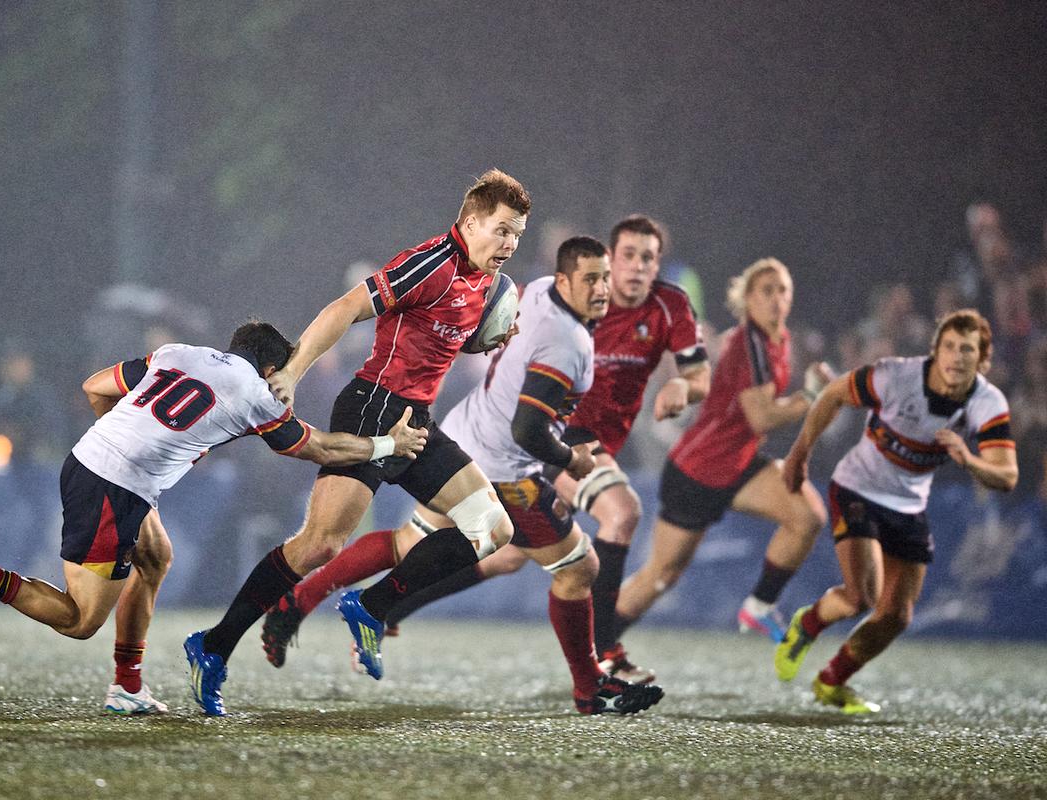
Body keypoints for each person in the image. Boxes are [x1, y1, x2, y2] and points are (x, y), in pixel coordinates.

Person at [267, 215, 711, 685]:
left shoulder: (669, 306)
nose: (637, 268)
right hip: (524, 447)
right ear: (606, 260)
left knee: (471, 550)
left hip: (533, 443)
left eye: (649, 258)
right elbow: (521, 395)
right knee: (617, 519)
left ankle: (318, 603)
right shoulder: (556, 302)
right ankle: (603, 660)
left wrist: (686, 386)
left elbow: (699, 373)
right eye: (627, 257)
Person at [0, 322, 426, 715]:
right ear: (271, 369)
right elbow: (323, 449)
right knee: (80, 621)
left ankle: (127, 687)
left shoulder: (180, 352)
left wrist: (127, 443)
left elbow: (94, 387)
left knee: (156, 558)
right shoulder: (255, 394)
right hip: (112, 485)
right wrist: (387, 443)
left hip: (100, 466)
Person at [183, 170, 531, 716]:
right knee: (319, 546)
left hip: (415, 423)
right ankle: (214, 645)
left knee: (494, 529)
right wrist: (294, 371)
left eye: (517, 235)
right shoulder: (431, 261)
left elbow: (438, 334)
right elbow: (344, 308)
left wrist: (485, 341)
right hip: (373, 409)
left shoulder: (488, 282)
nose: (509, 245)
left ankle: (372, 605)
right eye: (501, 230)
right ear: (468, 222)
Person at [775, 309, 1017, 713]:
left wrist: (968, 460)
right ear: (935, 351)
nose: (957, 358)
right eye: (950, 347)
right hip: (858, 487)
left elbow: (1007, 476)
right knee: (860, 598)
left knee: (897, 616)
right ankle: (808, 623)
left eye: (968, 350)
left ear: (982, 358)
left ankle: (831, 681)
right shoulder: (897, 377)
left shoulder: (987, 402)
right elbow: (835, 393)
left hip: (908, 505)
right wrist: (800, 453)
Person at [595, 257, 832, 661]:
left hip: (737, 465)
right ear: (747, 299)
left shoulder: (780, 339)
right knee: (660, 577)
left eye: (783, 290)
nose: (776, 299)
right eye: (766, 291)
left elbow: (754, 419)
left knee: (808, 516)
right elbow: (761, 415)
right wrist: (810, 398)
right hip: (697, 472)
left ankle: (760, 606)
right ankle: (594, 649)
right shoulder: (748, 342)